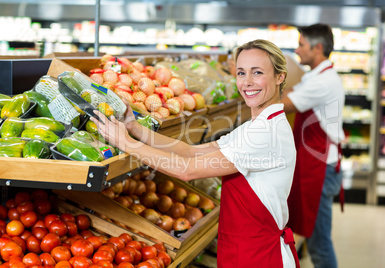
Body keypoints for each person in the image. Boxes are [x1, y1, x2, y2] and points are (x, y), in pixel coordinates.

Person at [91, 39, 300, 268]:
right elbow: (190, 152)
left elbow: (187, 170)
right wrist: (136, 128)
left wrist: (127, 143)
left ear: (280, 77)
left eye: (257, 72)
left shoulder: (265, 133)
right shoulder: (260, 125)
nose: (247, 82)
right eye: (241, 73)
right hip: (245, 248)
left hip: (259, 256)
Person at [281, 23, 345, 268]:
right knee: (314, 236)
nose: (297, 50)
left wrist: (248, 84)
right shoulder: (317, 76)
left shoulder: (323, 82)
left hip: (320, 169)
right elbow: (289, 91)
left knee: (319, 243)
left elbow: (285, 103)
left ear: (317, 48)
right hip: (314, 164)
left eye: (301, 44)